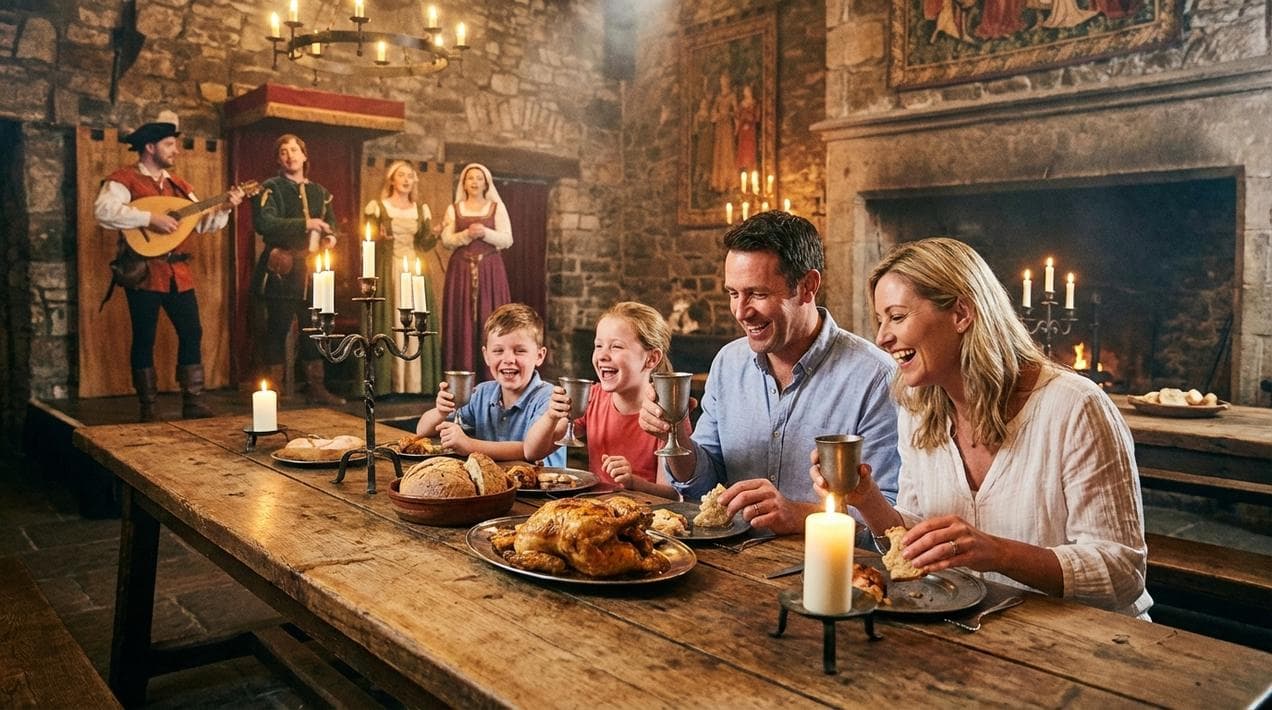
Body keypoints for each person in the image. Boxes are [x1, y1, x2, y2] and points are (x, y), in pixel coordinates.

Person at [810, 237, 1151, 617]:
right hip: (981, 633)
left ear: (961, 313)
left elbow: (1122, 572)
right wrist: (866, 498)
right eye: (880, 320)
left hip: (1089, 643)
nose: (882, 337)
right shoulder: (918, 409)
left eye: (898, 316)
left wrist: (997, 552)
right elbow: (918, 542)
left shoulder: (1075, 406)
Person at [639, 212, 901, 536]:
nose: (740, 312)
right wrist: (676, 434)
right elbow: (701, 485)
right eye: (733, 293)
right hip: (732, 565)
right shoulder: (728, 363)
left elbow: (888, 522)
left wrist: (798, 515)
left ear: (808, 287)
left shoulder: (876, 377)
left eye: (757, 294)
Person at [93, 110, 244, 422]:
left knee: (192, 331)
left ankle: (193, 401)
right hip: (144, 272)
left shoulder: (180, 186)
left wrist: (226, 209)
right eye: (170, 145)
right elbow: (103, 211)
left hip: (178, 273)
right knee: (144, 336)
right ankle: (147, 406)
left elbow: (200, 225)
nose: (176, 151)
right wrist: (149, 218)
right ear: (150, 147)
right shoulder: (125, 180)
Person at [525, 302, 689, 499]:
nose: (602, 355)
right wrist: (551, 416)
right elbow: (533, 452)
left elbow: (673, 495)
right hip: (594, 510)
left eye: (616, 347)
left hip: (646, 514)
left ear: (651, 359)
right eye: (598, 346)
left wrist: (633, 482)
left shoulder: (666, 413)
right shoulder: (593, 397)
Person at [251, 133, 344, 405]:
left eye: (294, 150)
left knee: (313, 328)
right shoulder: (271, 188)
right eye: (283, 151)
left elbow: (333, 224)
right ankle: (273, 391)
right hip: (282, 267)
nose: (290, 155)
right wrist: (306, 224)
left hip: (312, 270)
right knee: (277, 328)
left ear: (304, 156)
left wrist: (330, 237)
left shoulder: (320, 192)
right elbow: (265, 223)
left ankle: (316, 387)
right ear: (278, 159)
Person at [416, 303, 565, 466]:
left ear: (539, 356)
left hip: (544, 487)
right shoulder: (481, 393)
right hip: (495, 486)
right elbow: (422, 431)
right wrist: (440, 412)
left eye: (520, 350)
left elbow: (528, 450)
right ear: (486, 356)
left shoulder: (550, 399)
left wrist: (469, 446)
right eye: (498, 351)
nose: (508, 359)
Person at [363, 160, 441, 396]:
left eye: (410, 176)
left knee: (416, 320)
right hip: (389, 271)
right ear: (392, 180)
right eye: (401, 175)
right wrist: (378, 237)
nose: (407, 180)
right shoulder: (378, 207)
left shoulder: (420, 209)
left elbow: (425, 243)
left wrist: (434, 234)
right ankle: (390, 384)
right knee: (390, 319)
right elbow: (368, 240)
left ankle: (416, 384)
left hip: (415, 272)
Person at [441, 163, 512, 377]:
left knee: (489, 317)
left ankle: (491, 374)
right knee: (461, 319)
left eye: (479, 178)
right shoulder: (454, 208)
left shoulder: (496, 208)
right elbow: (446, 240)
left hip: (490, 269)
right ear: (463, 182)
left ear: (486, 183)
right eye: (470, 178)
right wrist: (466, 235)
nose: (474, 182)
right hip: (461, 269)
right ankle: (461, 373)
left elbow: (507, 239)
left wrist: (485, 233)